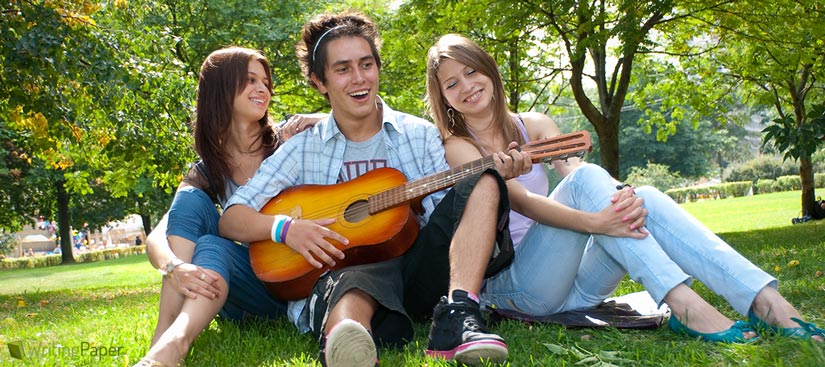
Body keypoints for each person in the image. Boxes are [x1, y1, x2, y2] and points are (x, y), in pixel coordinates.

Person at [425, 34, 825, 343]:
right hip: (518, 288)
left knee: (644, 196)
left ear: (489, 69)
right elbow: (525, 203)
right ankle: (685, 305)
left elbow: (577, 172)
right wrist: (598, 223)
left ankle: (763, 300)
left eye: (472, 71)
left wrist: (619, 202)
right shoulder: (459, 148)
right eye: (451, 84)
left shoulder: (536, 124)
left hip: (575, 285)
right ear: (443, 99)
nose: (466, 86)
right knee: (598, 192)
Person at [218, 12, 531, 367]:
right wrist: (285, 228)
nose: (359, 78)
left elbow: (455, 216)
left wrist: (489, 183)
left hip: (421, 270)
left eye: (366, 64)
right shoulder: (303, 148)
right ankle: (346, 342)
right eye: (343, 69)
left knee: (483, 180)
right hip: (348, 276)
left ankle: (458, 314)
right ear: (320, 82)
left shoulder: (420, 134)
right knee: (353, 280)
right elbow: (232, 218)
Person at [134, 47, 319, 367]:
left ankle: (167, 343)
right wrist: (174, 268)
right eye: (249, 80)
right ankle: (166, 343)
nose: (262, 89)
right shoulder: (209, 169)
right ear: (221, 88)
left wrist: (318, 117)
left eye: (265, 82)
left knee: (208, 241)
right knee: (196, 216)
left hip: (296, 281)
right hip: (250, 284)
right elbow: (159, 237)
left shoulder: (287, 140)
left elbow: (356, 120)